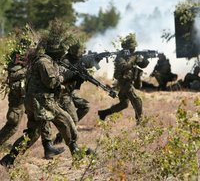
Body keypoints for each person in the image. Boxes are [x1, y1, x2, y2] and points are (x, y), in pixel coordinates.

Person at [0, 24, 83, 167]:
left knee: (33, 134)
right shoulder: (44, 62)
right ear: (55, 51)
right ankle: (75, 150)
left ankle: (9, 159)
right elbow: (52, 82)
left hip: (37, 102)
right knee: (66, 120)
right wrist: (68, 76)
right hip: (42, 103)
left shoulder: (46, 60)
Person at [98, 33, 149, 125]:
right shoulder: (120, 56)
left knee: (124, 104)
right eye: (132, 48)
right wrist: (133, 58)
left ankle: (103, 113)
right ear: (128, 48)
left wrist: (145, 58)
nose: (134, 49)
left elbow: (143, 65)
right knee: (137, 101)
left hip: (127, 82)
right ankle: (140, 122)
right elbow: (123, 67)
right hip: (124, 82)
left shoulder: (131, 56)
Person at [54, 38, 90, 144]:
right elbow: (63, 78)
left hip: (70, 92)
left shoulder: (76, 60)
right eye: (79, 52)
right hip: (63, 94)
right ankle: (64, 140)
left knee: (85, 106)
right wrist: (76, 74)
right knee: (73, 120)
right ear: (73, 52)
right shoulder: (65, 61)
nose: (81, 54)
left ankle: (61, 134)